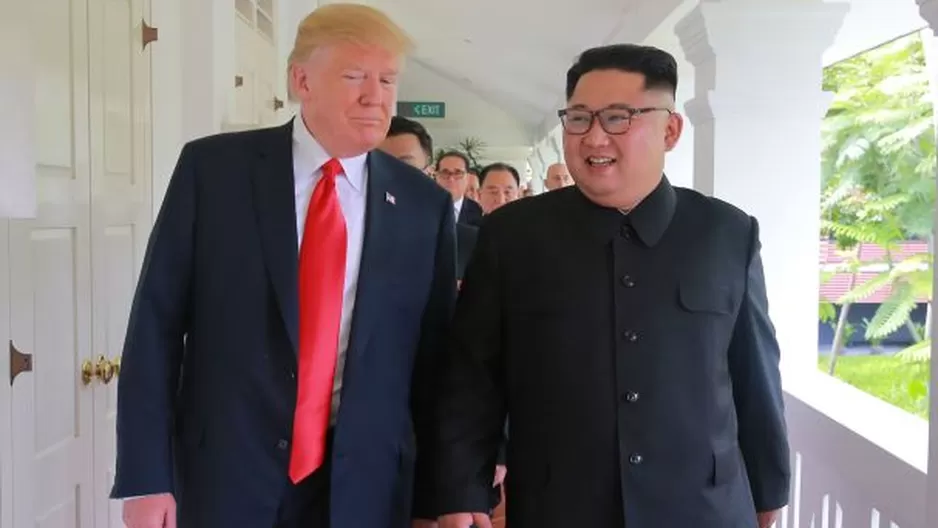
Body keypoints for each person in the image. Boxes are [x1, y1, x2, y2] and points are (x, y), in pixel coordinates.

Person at [111, 4, 455, 528]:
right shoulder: (215, 172)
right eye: (354, 76)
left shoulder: (421, 206)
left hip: (365, 486)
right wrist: (145, 476)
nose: (375, 96)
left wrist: (437, 498)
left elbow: (432, 361)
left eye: (387, 79)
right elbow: (156, 327)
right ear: (302, 80)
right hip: (226, 472)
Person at [431, 44, 790, 528]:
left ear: (670, 129)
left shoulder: (726, 233)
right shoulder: (513, 236)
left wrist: (769, 489)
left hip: (701, 507)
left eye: (618, 118)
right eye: (579, 118)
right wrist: (459, 490)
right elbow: (473, 376)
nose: (594, 137)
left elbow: (754, 374)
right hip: (560, 505)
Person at [379, 116, 478, 280]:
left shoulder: (464, 242)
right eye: (382, 164)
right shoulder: (351, 232)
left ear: (429, 171)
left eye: (405, 166)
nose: (393, 175)